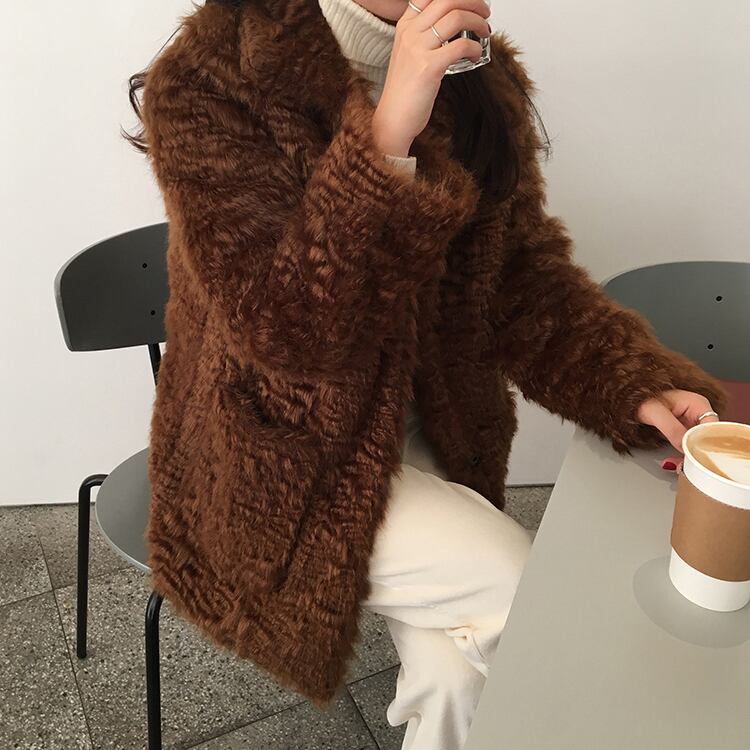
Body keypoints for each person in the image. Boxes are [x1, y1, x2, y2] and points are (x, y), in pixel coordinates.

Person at [124, 1, 728, 748]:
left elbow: (518, 278)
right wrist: (385, 140)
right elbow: (290, 336)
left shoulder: (477, 76)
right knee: (524, 595)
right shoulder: (211, 79)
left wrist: (631, 381)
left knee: (454, 677)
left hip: (431, 431)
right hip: (275, 464)